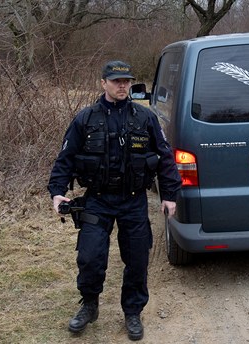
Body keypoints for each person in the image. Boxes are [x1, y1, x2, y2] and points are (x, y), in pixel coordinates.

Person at [47, 61, 181, 341]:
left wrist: (169, 194)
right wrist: (57, 191)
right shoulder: (85, 119)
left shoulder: (145, 118)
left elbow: (166, 158)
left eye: (126, 81)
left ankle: (132, 312)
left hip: (133, 201)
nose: (122, 86)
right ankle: (89, 304)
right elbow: (66, 159)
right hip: (97, 200)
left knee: (137, 259)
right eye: (116, 81)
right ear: (103, 83)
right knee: (90, 256)